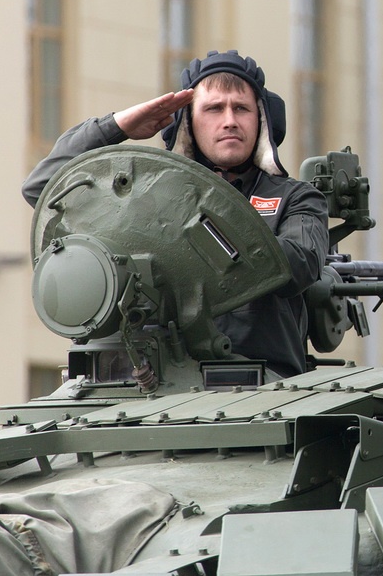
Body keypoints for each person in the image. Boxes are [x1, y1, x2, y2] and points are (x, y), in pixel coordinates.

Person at [23, 50, 329, 380]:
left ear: (262, 120)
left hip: (259, 381)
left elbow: (300, 264)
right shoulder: (148, 194)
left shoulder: (294, 198)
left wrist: (208, 227)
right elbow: (41, 187)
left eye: (241, 108)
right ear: (187, 123)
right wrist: (118, 126)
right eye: (213, 108)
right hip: (149, 380)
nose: (229, 120)